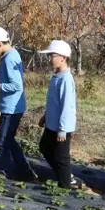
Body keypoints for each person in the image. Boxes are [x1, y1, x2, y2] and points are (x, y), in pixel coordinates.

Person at [0, 26, 38, 181]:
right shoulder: (9, 56)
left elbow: (16, 85)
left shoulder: (10, 58)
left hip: (11, 108)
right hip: (12, 107)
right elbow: (5, 75)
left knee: (2, 140)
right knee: (9, 140)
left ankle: (5, 171)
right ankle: (26, 172)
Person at [37, 40, 78, 189]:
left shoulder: (66, 79)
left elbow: (67, 106)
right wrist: (46, 116)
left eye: (51, 55)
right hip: (52, 123)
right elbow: (54, 102)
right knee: (45, 147)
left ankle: (65, 185)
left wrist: (63, 129)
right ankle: (65, 175)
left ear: (63, 57)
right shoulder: (57, 76)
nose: (49, 59)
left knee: (62, 157)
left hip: (61, 127)